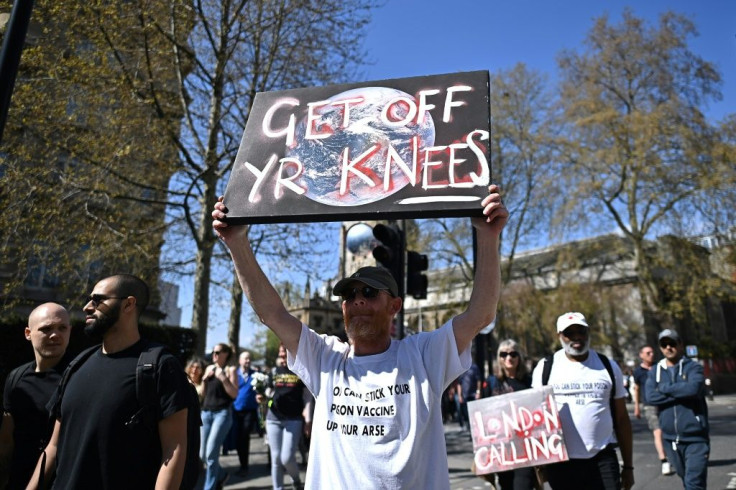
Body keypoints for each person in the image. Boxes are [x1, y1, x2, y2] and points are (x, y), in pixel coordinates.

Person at [212, 184, 507, 488]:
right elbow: (271, 313)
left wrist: (487, 236)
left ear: (395, 305)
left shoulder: (422, 355)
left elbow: (480, 315)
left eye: (368, 292)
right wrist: (237, 244)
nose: (358, 301)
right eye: (350, 295)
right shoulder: (325, 358)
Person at [28, 274, 191, 489]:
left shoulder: (160, 366)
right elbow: (53, 446)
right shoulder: (78, 364)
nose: (87, 307)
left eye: (97, 300)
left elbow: (174, 449)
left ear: (128, 304)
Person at [531, 312, 634, 490]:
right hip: (562, 463)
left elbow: (622, 419)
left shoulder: (608, 366)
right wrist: (538, 465)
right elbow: (535, 419)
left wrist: (628, 466)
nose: (576, 337)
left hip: (603, 458)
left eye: (581, 331)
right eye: (569, 333)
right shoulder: (545, 368)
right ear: (559, 336)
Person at [0, 303, 71, 490]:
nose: (55, 335)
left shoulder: (78, 377)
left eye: (62, 328)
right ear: (28, 333)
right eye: (46, 329)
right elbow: (7, 441)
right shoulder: (16, 378)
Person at [646, 329, 709, 490]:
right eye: (664, 344)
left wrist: (664, 389)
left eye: (672, 343)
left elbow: (693, 389)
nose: (668, 347)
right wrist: (680, 391)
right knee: (685, 477)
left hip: (695, 438)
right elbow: (651, 397)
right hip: (670, 439)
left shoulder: (693, 367)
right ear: (660, 347)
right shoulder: (656, 372)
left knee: (693, 483)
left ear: (680, 345)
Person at [483, 339, 535, 490]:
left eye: (513, 354)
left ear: (519, 357)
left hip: (525, 450)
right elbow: (482, 416)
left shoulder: (529, 382)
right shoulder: (492, 383)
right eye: (503, 354)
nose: (508, 358)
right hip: (502, 451)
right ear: (498, 358)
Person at [266, 344, 311, 490]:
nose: (283, 356)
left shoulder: (301, 370)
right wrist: (265, 395)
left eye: (285, 353)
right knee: (276, 459)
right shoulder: (274, 371)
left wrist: (308, 418)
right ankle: (278, 488)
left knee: (286, 457)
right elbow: (268, 389)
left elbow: (308, 397)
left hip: (294, 419)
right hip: (273, 418)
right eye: (281, 354)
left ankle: (296, 479)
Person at [200, 343, 238, 490]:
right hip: (206, 413)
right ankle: (221, 475)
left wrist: (223, 378)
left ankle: (209, 487)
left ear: (225, 354)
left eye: (217, 352)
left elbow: (234, 394)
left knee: (210, 454)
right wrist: (204, 380)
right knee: (203, 455)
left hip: (222, 414)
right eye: (213, 352)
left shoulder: (230, 370)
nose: (214, 355)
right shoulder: (209, 368)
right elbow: (203, 395)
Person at [632, 344, 674, 476]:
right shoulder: (638, 372)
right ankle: (664, 460)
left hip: (664, 403)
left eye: (652, 352)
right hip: (649, 405)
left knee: (669, 429)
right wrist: (637, 407)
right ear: (641, 355)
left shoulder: (660, 366)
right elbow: (637, 389)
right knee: (658, 432)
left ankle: (674, 455)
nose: (651, 355)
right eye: (648, 353)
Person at [232, 350, 262, 477]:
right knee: (238, 439)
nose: (247, 361)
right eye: (245, 358)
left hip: (250, 411)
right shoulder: (234, 374)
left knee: (244, 437)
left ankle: (244, 466)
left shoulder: (256, 375)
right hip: (235, 411)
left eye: (249, 358)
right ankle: (241, 464)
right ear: (240, 361)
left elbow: (261, 390)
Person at [455, 362, 481, 433]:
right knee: (467, 415)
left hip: (473, 395)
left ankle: (475, 431)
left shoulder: (474, 367)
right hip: (465, 396)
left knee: (474, 414)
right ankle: (470, 431)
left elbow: (478, 380)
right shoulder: (460, 368)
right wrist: (460, 395)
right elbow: (459, 384)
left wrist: (478, 392)